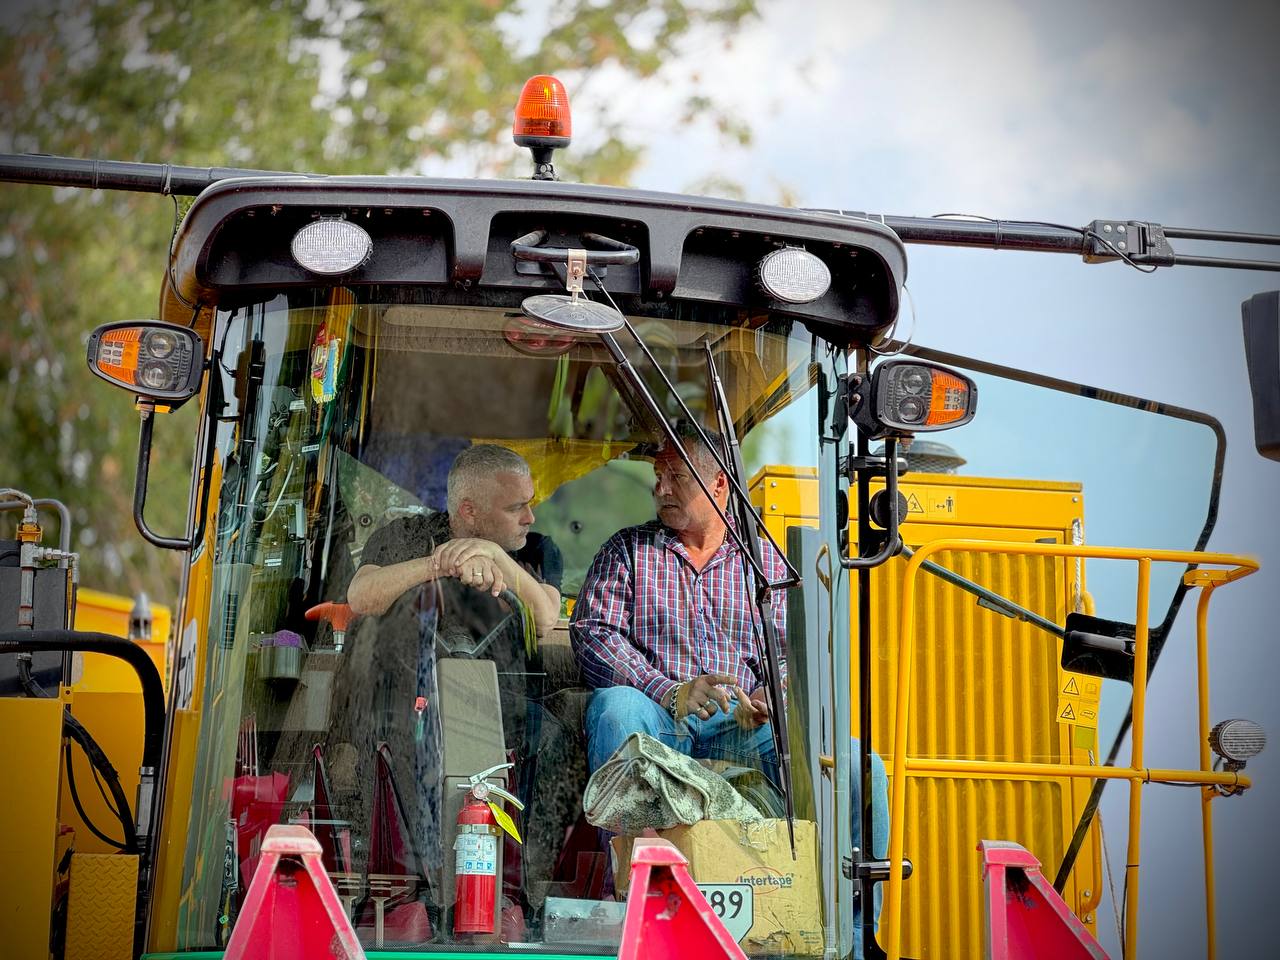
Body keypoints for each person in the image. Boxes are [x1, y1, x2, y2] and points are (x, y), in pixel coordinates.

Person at [570, 427, 787, 781]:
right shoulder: (627, 550)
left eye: (677, 477)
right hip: (656, 715)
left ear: (719, 484)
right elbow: (594, 634)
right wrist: (672, 693)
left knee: (856, 768)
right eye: (658, 476)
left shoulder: (768, 564)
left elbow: (793, 656)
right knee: (617, 707)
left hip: (740, 728)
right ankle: (632, 837)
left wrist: (773, 695)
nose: (661, 489)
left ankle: (828, 841)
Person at [348, 443, 562, 635]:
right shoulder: (406, 534)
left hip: (504, 675)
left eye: (529, 503)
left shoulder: (537, 548)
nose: (530, 518)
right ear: (469, 511)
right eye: (516, 508)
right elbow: (361, 600)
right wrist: (445, 563)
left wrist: (493, 554)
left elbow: (544, 622)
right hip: (413, 673)